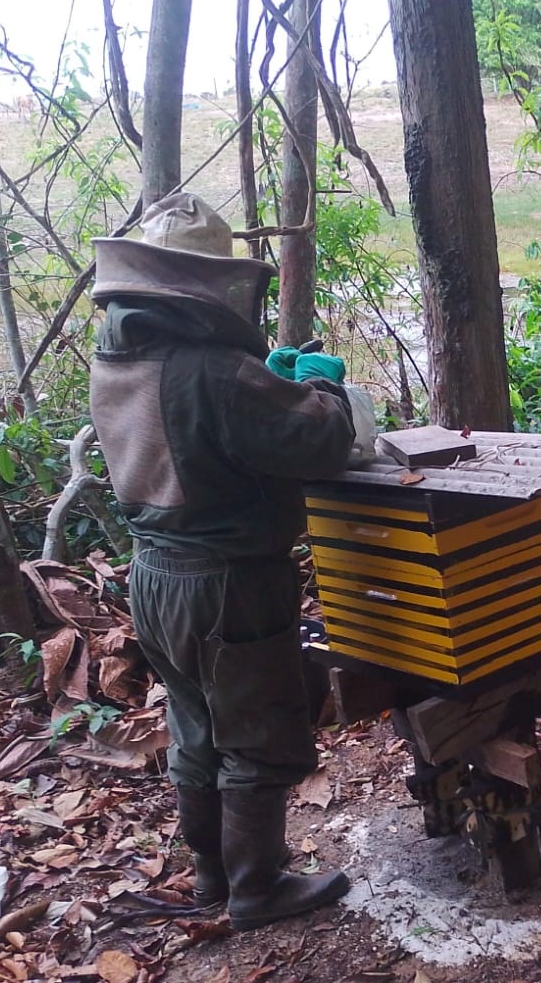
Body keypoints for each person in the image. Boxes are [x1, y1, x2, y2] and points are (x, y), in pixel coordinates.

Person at [88, 192, 356, 931]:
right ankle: (256, 888)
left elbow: (208, 436)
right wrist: (322, 386)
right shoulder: (214, 369)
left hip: (153, 580)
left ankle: (213, 875)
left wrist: (267, 384)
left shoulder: (116, 360)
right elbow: (319, 440)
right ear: (205, 283)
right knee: (255, 734)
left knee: (196, 726)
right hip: (228, 582)